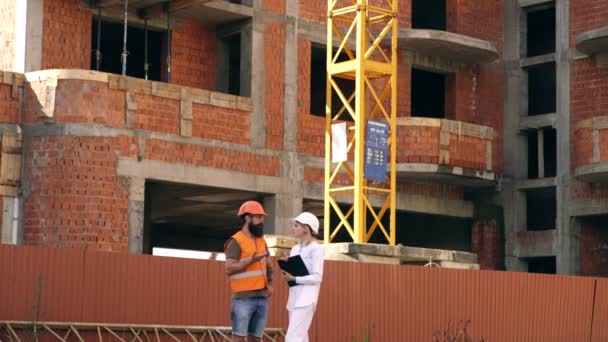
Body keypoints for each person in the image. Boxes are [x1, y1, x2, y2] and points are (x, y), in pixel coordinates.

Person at [224, 200, 274, 342]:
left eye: (262, 217)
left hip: (262, 298)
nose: (262, 221)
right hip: (243, 299)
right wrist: (250, 261)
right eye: (258, 217)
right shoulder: (236, 241)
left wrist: (270, 283)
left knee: (256, 339)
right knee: (239, 338)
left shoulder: (261, 240)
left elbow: (268, 264)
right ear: (247, 218)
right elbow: (228, 269)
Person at [281, 212, 325, 342]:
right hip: (294, 299)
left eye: (296, 226)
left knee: (292, 337)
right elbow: (298, 270)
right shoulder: (294, 249)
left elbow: (317, 277)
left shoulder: (316, 249)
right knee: (301, 337)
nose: (292, 228)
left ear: (306, 228)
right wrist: (288, 264)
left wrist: (294, 279)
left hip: (306, 299)